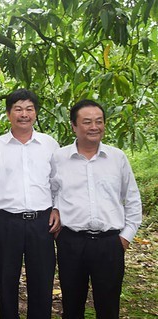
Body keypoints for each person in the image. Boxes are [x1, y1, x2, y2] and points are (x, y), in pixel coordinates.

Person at [50, 99, 142, 319]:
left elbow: (132, 199)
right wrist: (55, 211)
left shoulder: (117, 157)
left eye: (99, 122)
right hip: (71, 242)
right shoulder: (59, 158)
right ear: (74, 126)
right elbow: (51, 192)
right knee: (72, 306)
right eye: (87, 122)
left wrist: (125, 237)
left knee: (108, 307)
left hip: (110, 243)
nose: (94, 127)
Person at [0, 88, 60, 319]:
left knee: (42, 281)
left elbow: (58, 184)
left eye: (29, 109)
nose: (24, 114)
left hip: (41, 222)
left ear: (35, 113)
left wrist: (57, 209)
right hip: (7, 222)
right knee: (6, 281)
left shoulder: (49, 144)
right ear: (8, 114)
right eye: (18, 109)